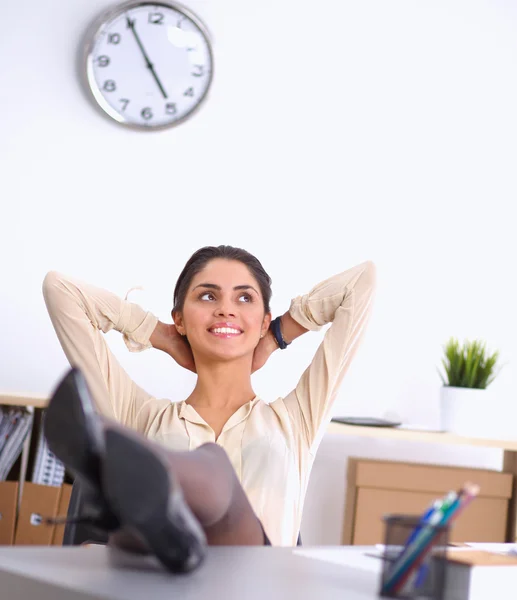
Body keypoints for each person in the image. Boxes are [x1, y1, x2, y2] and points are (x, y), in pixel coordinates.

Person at [42, 245, 376, 572]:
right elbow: (60, 290)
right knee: (202, 473)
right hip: (168, 592)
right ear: (180, 319)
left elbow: (362, 282)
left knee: (215, 469)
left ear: (262, 321)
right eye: (207, 296)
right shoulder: (140, 415)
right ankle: (159, 514)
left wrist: (276, 336)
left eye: (244, 298)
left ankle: (163, 488)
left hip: (259, 591)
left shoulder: (297, 418)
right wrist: (159, 334)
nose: (226, 310)